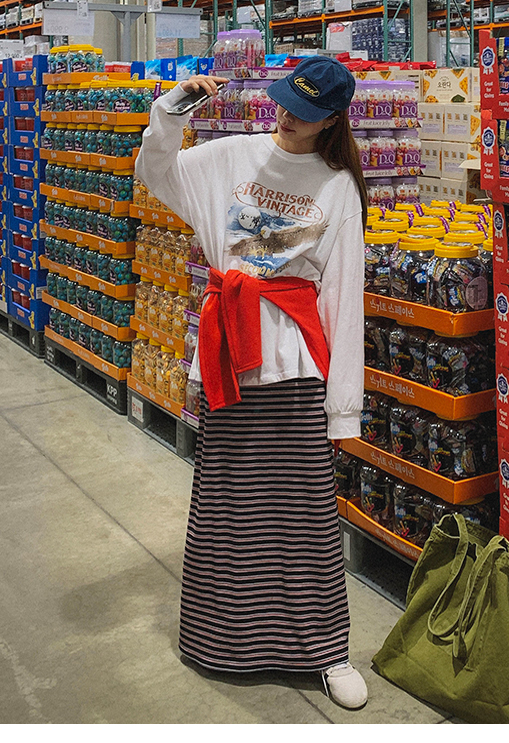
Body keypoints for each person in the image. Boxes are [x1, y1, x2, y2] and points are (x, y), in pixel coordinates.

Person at [134, 51, 368, 707]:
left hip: (294, 367)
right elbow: (154, 171)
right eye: (285, 103)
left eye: (306, 112)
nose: (288, 118)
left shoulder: (338, 188)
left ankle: (325, 649)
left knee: (304, 513)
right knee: (229, 507)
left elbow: (343, 301)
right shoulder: (230, 155)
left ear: (332, 120)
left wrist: (342, 410)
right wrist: (172, 109)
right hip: (229, 358)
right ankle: (223, 640)